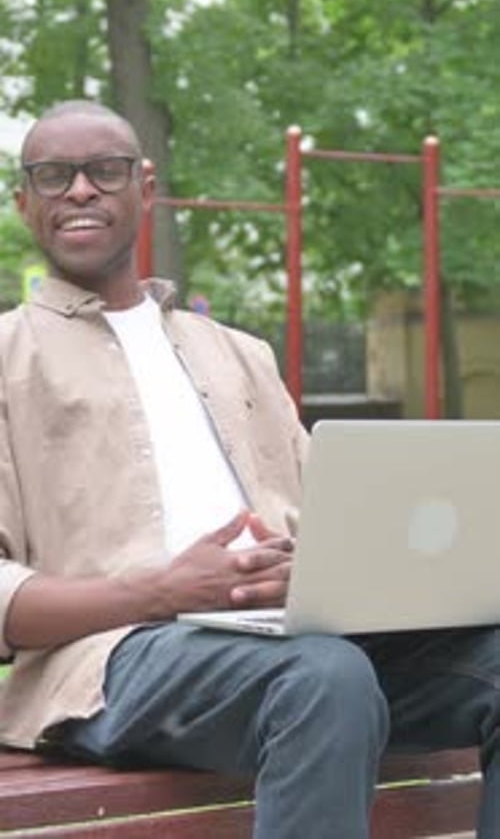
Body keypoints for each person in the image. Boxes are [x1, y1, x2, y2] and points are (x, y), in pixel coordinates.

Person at [0, 99, 499, 839]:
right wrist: (161, 590)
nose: (79, 190)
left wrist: (315, 570)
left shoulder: (238, 354)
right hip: (113, 661)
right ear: (24, 202)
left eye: (104, 171)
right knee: (320, 678)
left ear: (146, 187)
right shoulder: (10, 356)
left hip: (290, 641)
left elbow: (334, 520)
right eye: (53, 176)